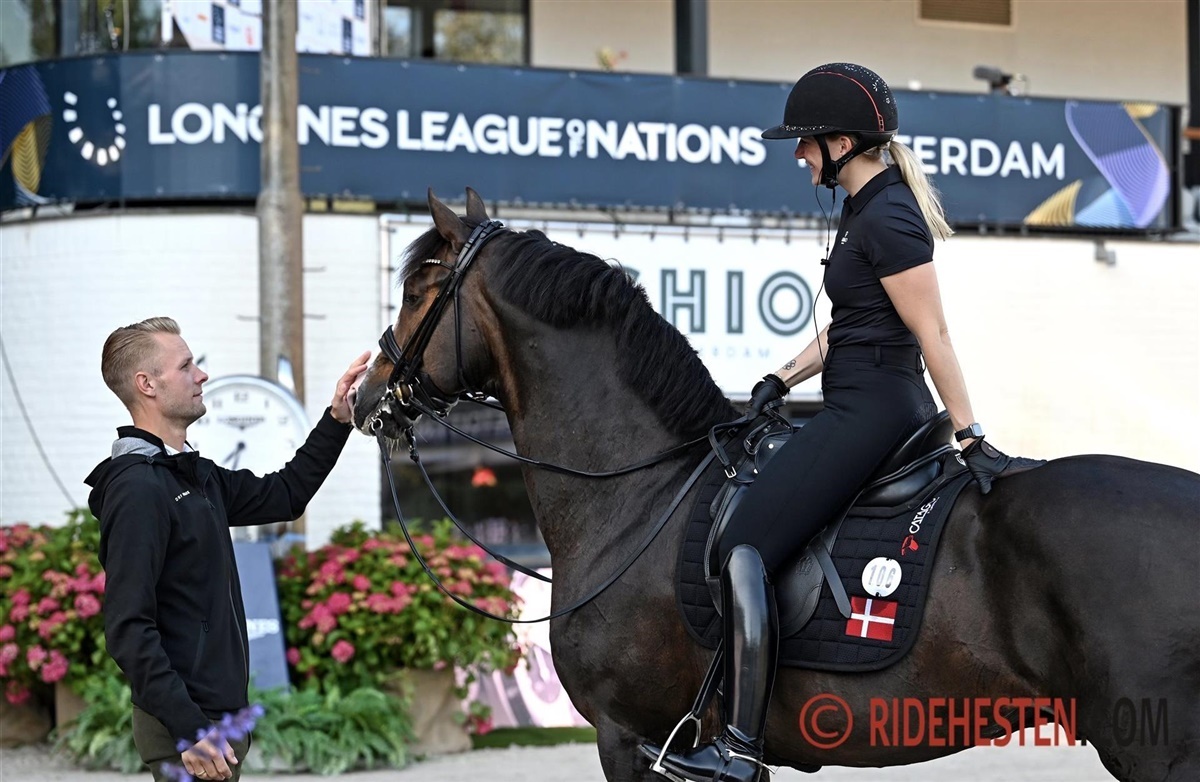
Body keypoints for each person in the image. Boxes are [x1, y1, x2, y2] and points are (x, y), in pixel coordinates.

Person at [642, 63, 1016, 782]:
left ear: (842, 144)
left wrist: (971, 434)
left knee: (744, 544)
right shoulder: (861, 209)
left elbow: (933, 333)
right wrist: (778, 379)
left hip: (875, 411)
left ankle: (741, 749)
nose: (799, 155)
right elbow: (848, 327)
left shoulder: (890, 216)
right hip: (854, 399)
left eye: (807, 142)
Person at [84, 317, 370, 781]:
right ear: (147, 384)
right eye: (185, 366)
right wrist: (189, 730)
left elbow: (286, 494)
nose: (201, 375)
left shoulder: (194, 475)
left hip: (217, 719)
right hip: (192, 733)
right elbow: (128, 628)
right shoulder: (138, 489)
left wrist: (337, 419)